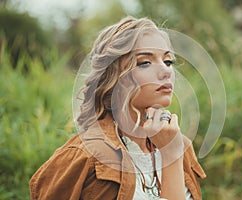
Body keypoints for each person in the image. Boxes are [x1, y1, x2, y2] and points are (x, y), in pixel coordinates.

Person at [30, 16, 206, 200]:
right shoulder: (85, 156)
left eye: (168, 61)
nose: (166, 71)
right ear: (115, 76)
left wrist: (171, 153)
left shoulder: (180, 145)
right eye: (144, 62)